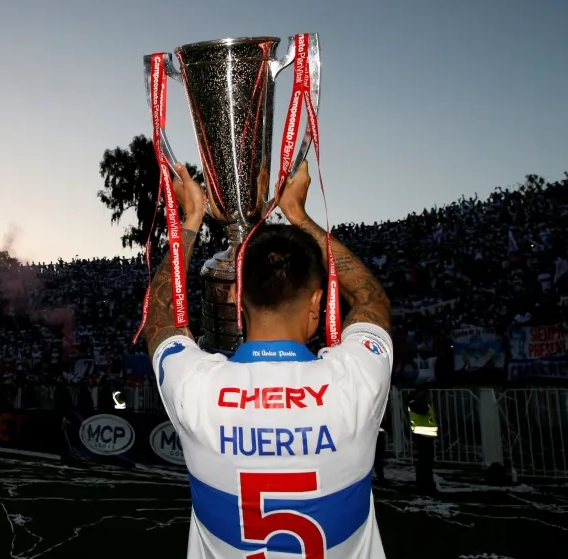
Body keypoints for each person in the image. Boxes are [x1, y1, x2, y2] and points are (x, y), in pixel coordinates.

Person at [143, 161, 392, 559]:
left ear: (238, 302)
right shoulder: (355, 381)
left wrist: (190, 220)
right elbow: (370, 300)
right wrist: (298, 215)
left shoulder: (198, 389)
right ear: (316, 303)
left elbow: (159, 319)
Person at [407, 387, 438, 493]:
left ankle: (426, 484)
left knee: (426, 463)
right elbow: (423, 412)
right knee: (425, 463)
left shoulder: (416, 403)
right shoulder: (416, 403)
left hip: (425, 436)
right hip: (422, 436)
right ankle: (424, 485)